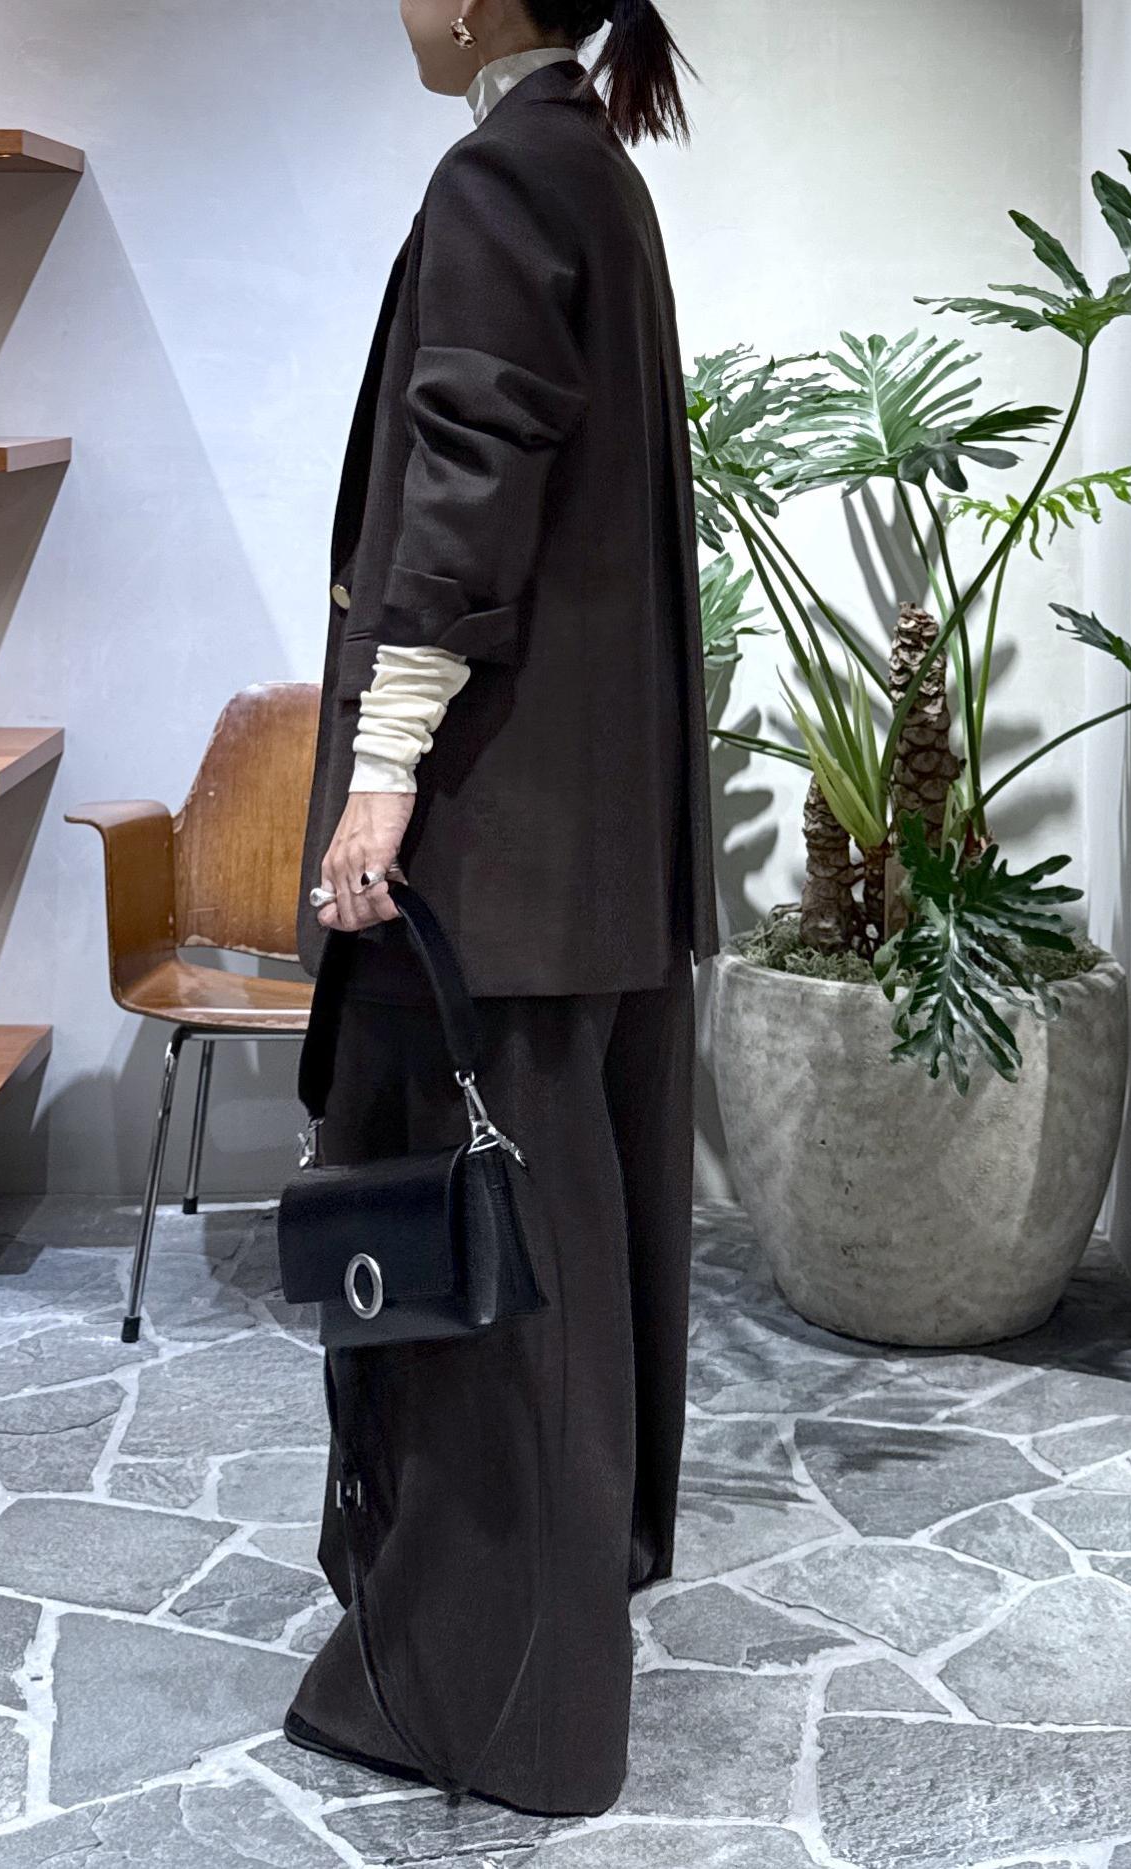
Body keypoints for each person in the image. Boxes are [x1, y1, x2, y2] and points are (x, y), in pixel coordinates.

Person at [284, 0, 719, 1819]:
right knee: (556, 1279)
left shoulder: (501, 176)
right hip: (591, 869)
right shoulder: (590, 169)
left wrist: (383, 766)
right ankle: (522, 1684)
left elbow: (469, 472)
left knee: (482, 1299)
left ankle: (503, 1712)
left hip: (495, 857)